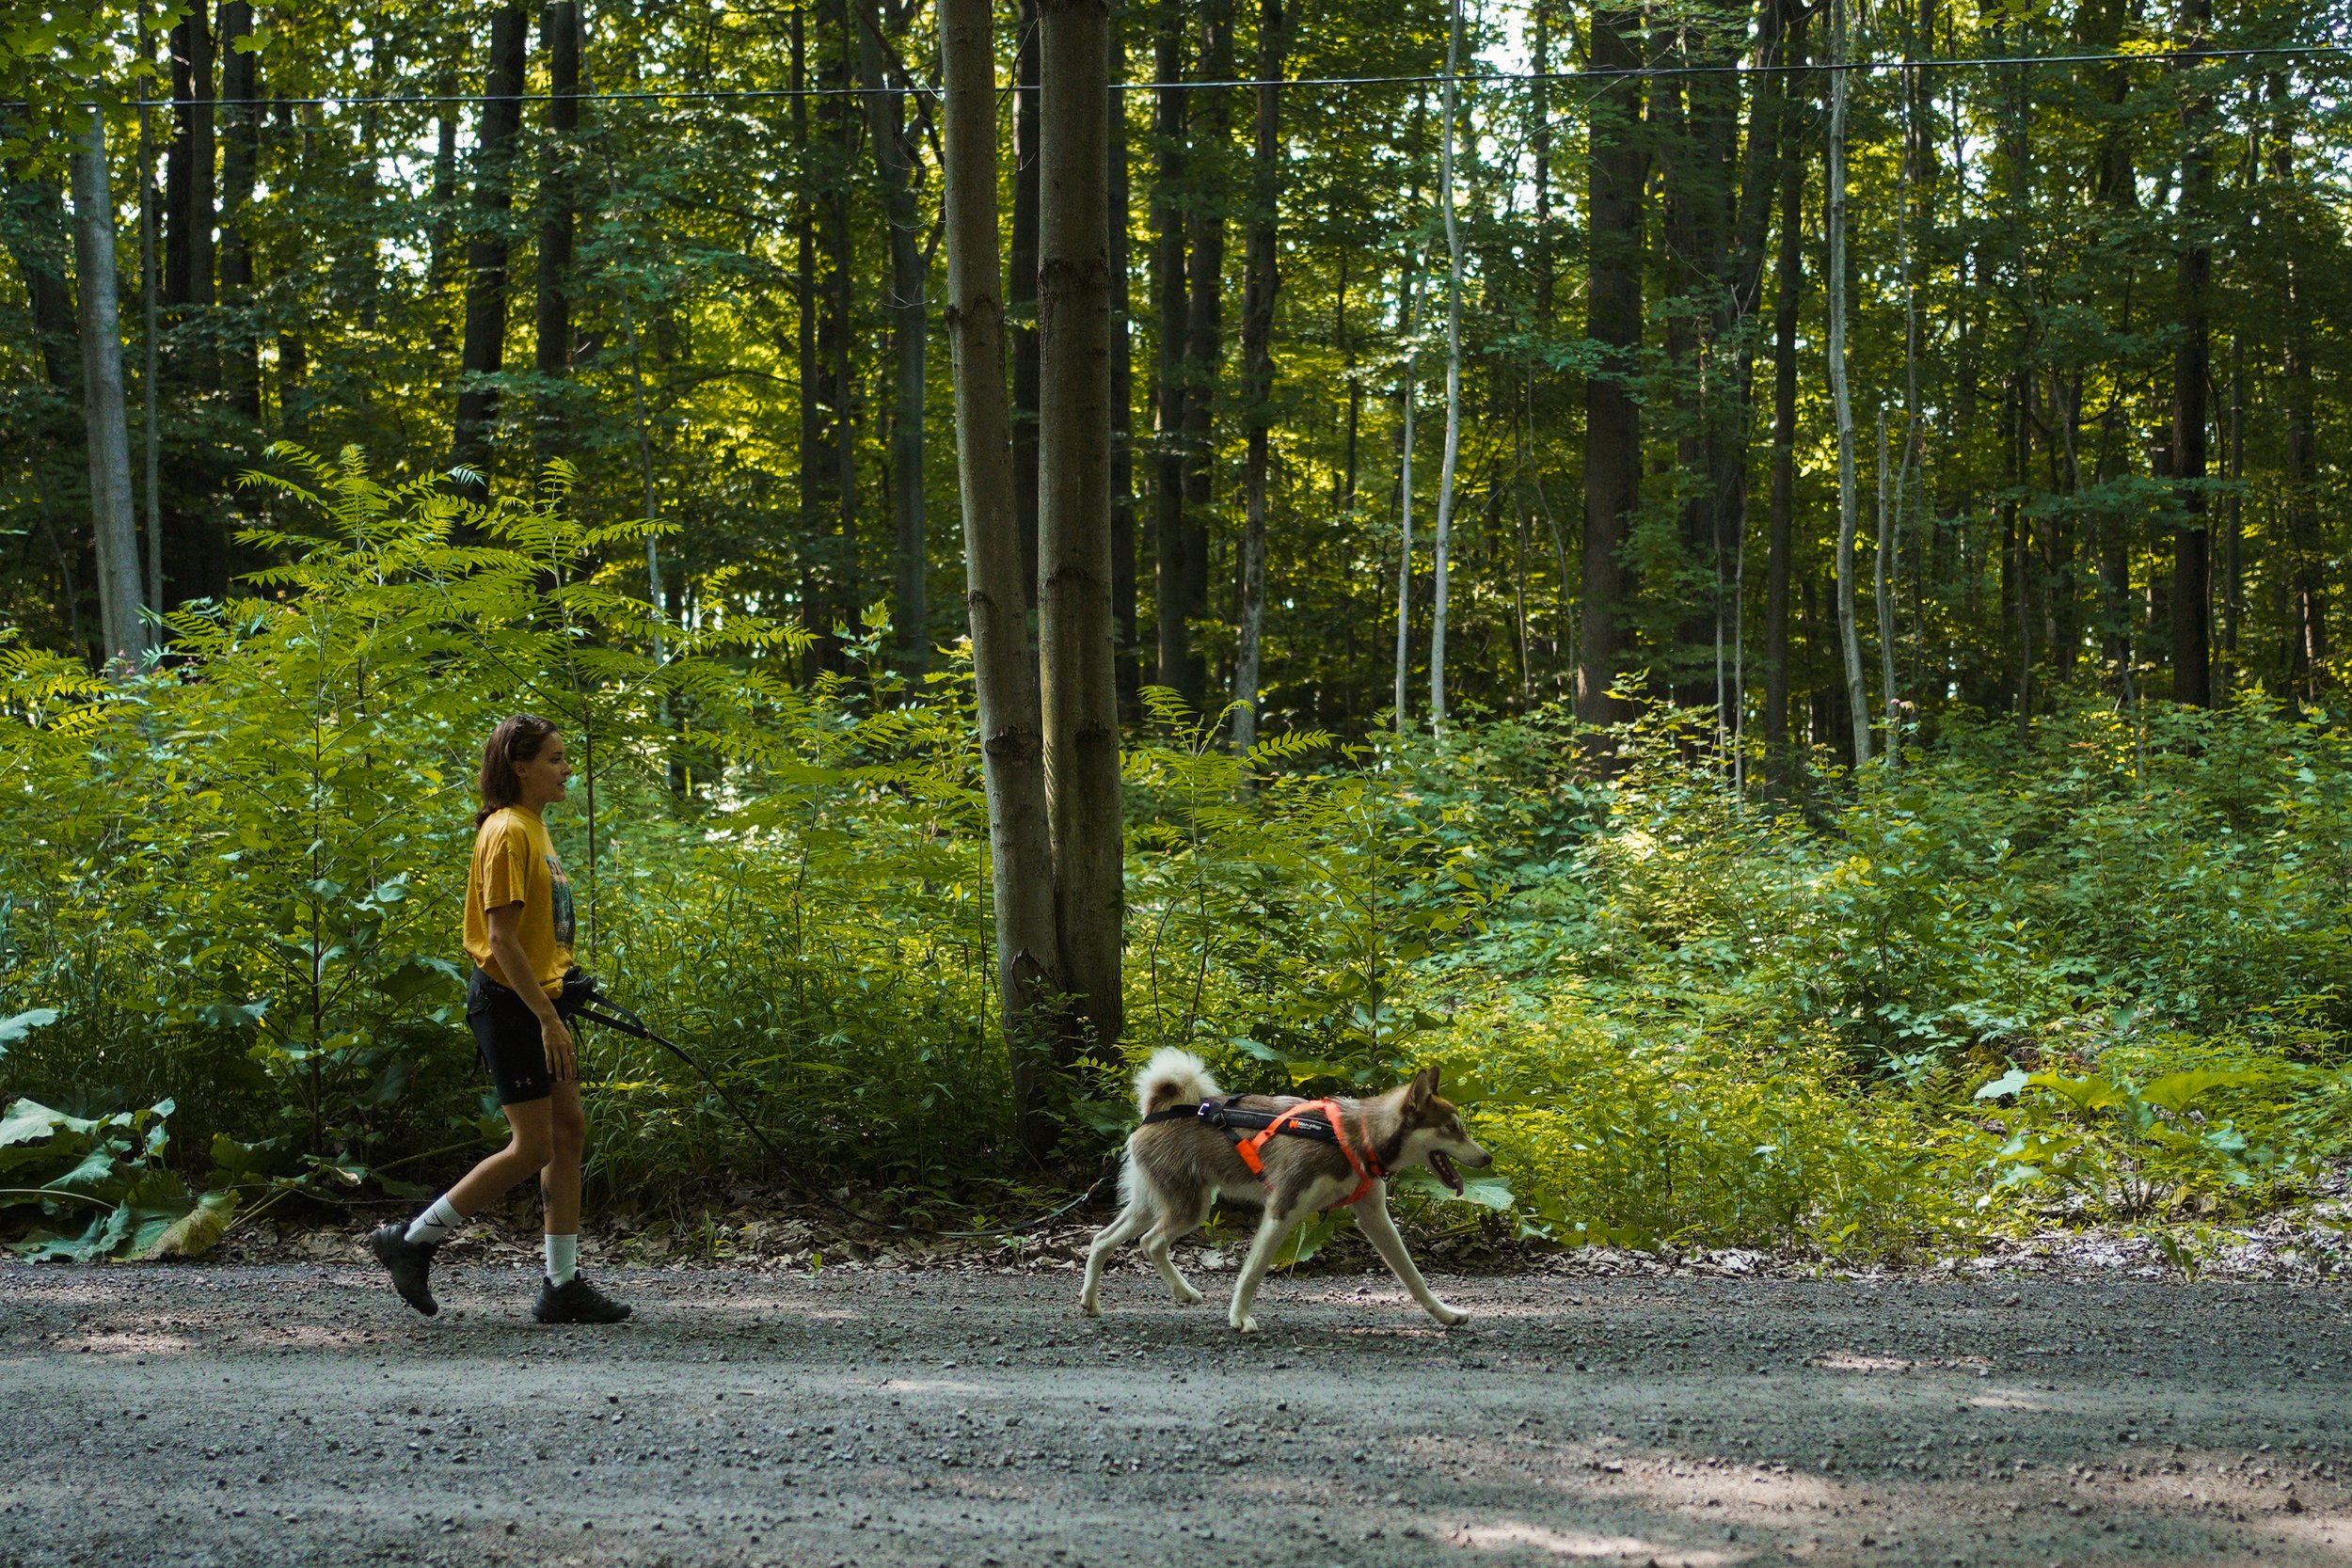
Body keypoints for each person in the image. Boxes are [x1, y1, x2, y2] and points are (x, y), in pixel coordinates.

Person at [368, 715, 630, 1324]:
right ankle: (412, 1239)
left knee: (567, 1131)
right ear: (520, 765)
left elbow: (533, 934)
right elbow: (500, 940)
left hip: (538, 1001)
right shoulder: (509, 830)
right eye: (555, 758)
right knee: (533, 1144)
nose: (567, 768)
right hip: (511, 1006)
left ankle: (560, 1285)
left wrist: (563, 981)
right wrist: (547, 1017)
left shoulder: (533, 826)